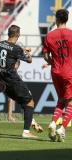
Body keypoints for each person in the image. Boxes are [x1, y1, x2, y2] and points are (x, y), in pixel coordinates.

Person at [43, 9, 72, 142]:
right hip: (69, 72)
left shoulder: (49, 36)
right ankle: (62, 128)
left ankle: (53, 123)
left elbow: (45, 56)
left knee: (61, 99)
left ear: (56, 19)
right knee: (70, 102)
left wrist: (52, 62)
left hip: (55, 71)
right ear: (67, 19)